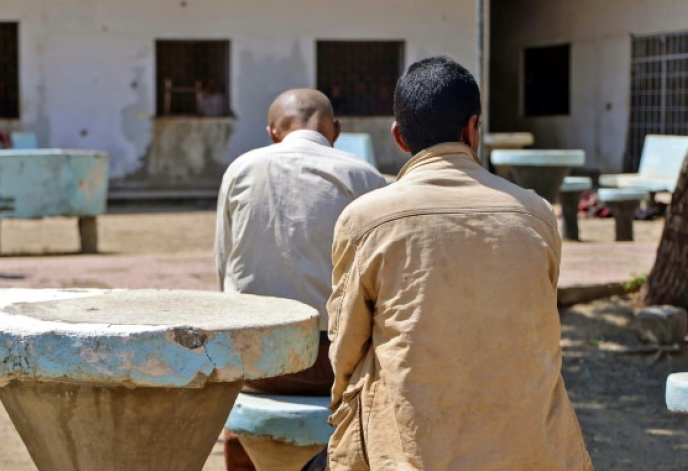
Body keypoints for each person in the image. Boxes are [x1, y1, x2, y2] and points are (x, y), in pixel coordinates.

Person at [325, 57, 592, 470]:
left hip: (412, 451)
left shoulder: (366, 219)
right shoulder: (536, 213)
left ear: (399, 137)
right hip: (532, 450)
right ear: (473, 129)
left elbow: (345, 350)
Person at [215, 88, 384, 471]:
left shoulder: (241, 169)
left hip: (258, 362)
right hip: (335, 365)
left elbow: (225, 269)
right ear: (335, 131)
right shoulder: (366, 176)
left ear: (273, 131)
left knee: (235, 426)